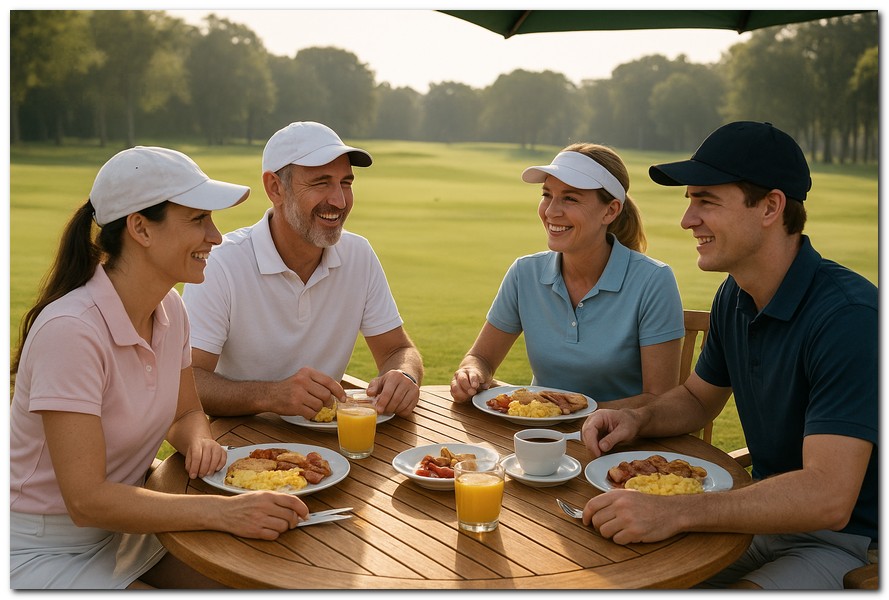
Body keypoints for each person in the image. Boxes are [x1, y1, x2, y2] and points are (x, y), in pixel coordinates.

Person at [579, 122, 877, 589]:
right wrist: (637, 418)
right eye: (689, 201)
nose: (687, 220)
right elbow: (698, 399)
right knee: (606, 574)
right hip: (759, 516)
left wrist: (677, 512)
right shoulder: (735, 295)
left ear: (771, 207)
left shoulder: (849, 318)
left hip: (850, 544)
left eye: (707, 201)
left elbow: (828, 497)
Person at [10, 147, 311, 589]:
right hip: (41, 551)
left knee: (258, 582)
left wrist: (198, 439)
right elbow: (86, 501)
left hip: (131, 524)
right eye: (198, 220)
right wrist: (225, 512)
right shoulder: (70, 331)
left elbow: (185, 412)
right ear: (140, 228)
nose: (215, 236)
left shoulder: (170, 308)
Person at [182, 121, 422, 419]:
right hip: (241, 440)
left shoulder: (359, 254)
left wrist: (404, 375)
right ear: (275, 188)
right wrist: (271, 396)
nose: (339, 201)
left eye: (346, 183)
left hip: (330, 439)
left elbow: (397, 350)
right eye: (321, 183)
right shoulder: (222, 263)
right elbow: (188, 380)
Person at [450, 143, 685, 404]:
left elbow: (659, 400)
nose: (551, 211)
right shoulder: (524, 273)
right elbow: (481, 358)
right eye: (547, 195)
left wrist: (573, 413)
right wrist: (471, 373)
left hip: (621, 431)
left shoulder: (653, 281)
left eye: (570, 198)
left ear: (610, 210)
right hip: (540, 428)